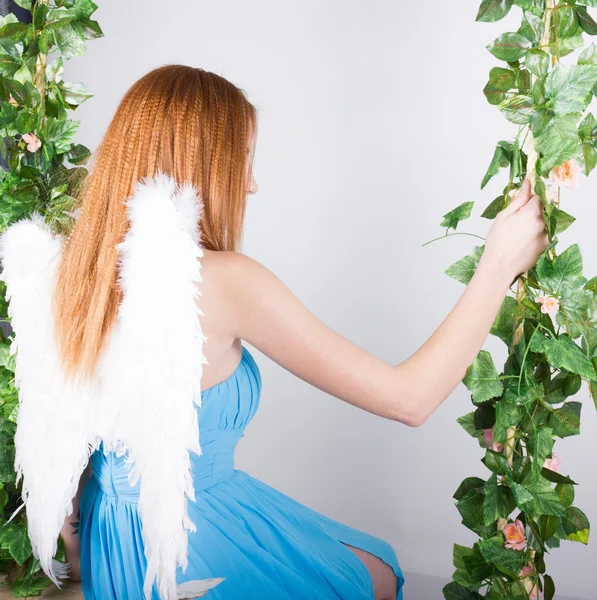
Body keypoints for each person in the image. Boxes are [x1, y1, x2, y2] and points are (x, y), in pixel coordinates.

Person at [1, 65, 548, 600]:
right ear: (203, 165)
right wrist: (497, 264)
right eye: (244, 160)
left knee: (370, 557)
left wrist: (85, 557)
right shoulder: (219, 280)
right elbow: (410, 398)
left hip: (111, 544)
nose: (253, 184)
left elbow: (65, 445)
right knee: (379, 575)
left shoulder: (76, 275)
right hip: (183, 541)